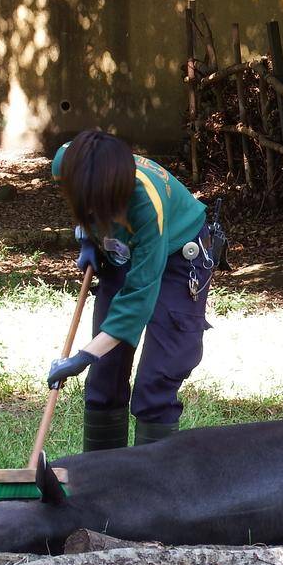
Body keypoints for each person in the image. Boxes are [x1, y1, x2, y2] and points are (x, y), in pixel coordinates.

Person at [46, 130, 214, 449]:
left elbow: (137, 302)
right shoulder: (67, 163)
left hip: (179, 254)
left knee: (158, 377)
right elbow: (79, 200)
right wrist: (86, 237)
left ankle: (149, 487)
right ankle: (100, 478)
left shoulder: (147, 205)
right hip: (123, 249)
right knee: (104, 375)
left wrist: (82, 357)